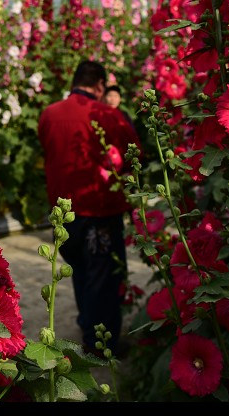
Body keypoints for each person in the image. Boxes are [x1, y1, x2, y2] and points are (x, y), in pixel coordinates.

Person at [37, 60, 141, 352]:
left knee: (79, 271)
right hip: (99, 210)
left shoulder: (49, 114)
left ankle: (88, 325)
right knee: (103, 280)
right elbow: (135, 154)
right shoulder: (109, 115)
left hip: (63, 213)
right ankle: (100, 343)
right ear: (99, 86)